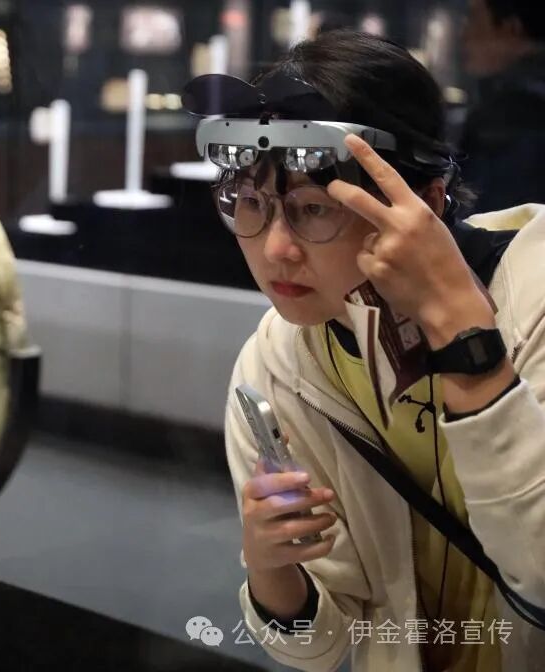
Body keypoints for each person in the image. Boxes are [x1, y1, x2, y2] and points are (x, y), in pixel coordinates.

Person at [205, 31, 545, 671]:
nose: (275, 248)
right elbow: (320, 648)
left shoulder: (535, 295)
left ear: (424, 204)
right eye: (251, 203)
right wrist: (271, 568)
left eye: (312, 209)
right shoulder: (278, 360)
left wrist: (468, 345)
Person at [459, 1, 545, 212]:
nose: (464, 34)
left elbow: (493, 217)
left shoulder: (516, 110)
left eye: (474, 20)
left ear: (511, 28)